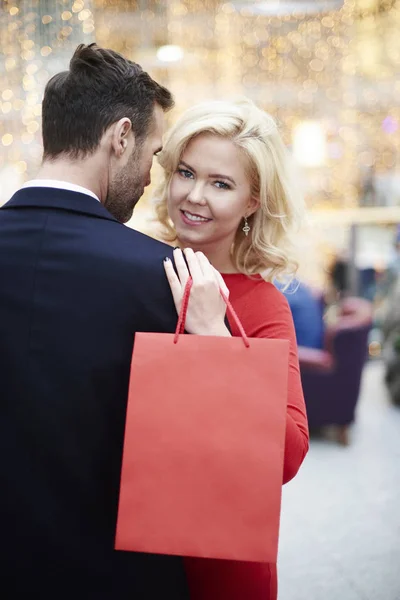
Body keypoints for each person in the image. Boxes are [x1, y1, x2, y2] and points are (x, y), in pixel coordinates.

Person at [0, 43, 228, 599]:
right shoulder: (164, 277)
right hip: (119, 577)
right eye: (152, 153)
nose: (151, 177)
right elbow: (203, 455)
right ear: (120, 137)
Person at [155, 98, 309, 600]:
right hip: (129, 542)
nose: (194, 196)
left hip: (221, 556)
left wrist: (214, 336)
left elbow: (286, 456)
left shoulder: (262, 304)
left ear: (251, 202)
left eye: (220, 184)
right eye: (186, 173)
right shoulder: (134, 274)